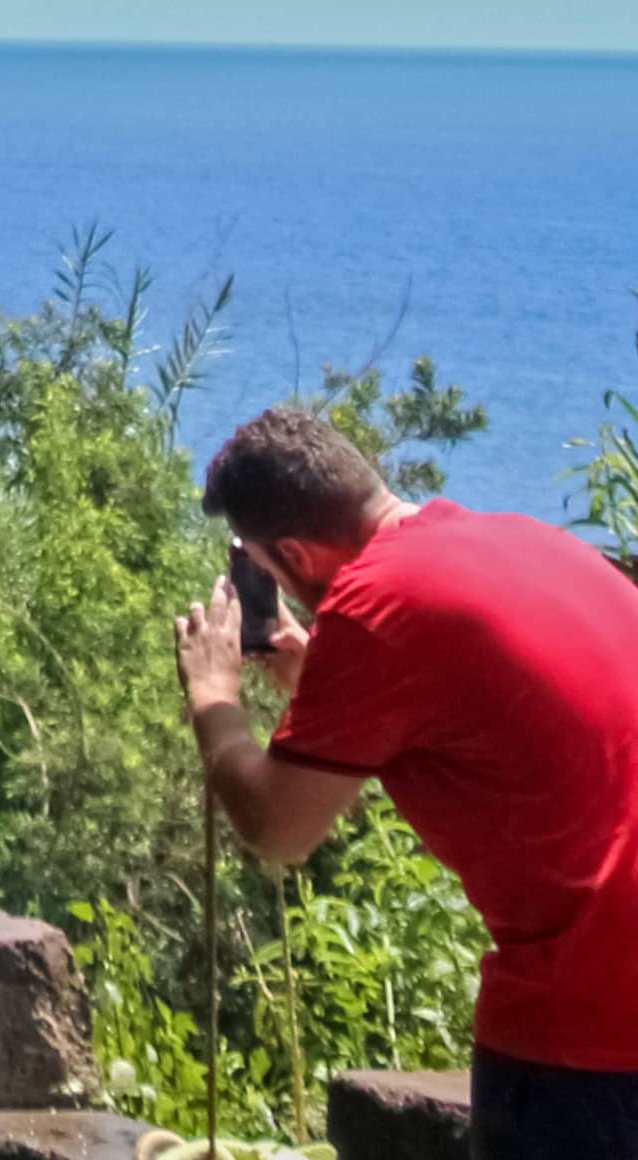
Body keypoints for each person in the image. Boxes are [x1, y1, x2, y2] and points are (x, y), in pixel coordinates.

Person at [178, 400, 638, 1160]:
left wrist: (212, 697)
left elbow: (277, 830)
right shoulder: (525, 540)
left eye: (264, 567)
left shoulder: (374, 605)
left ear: (292, 555)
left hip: (587, 1037)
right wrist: (322, 686)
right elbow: (498, 741)